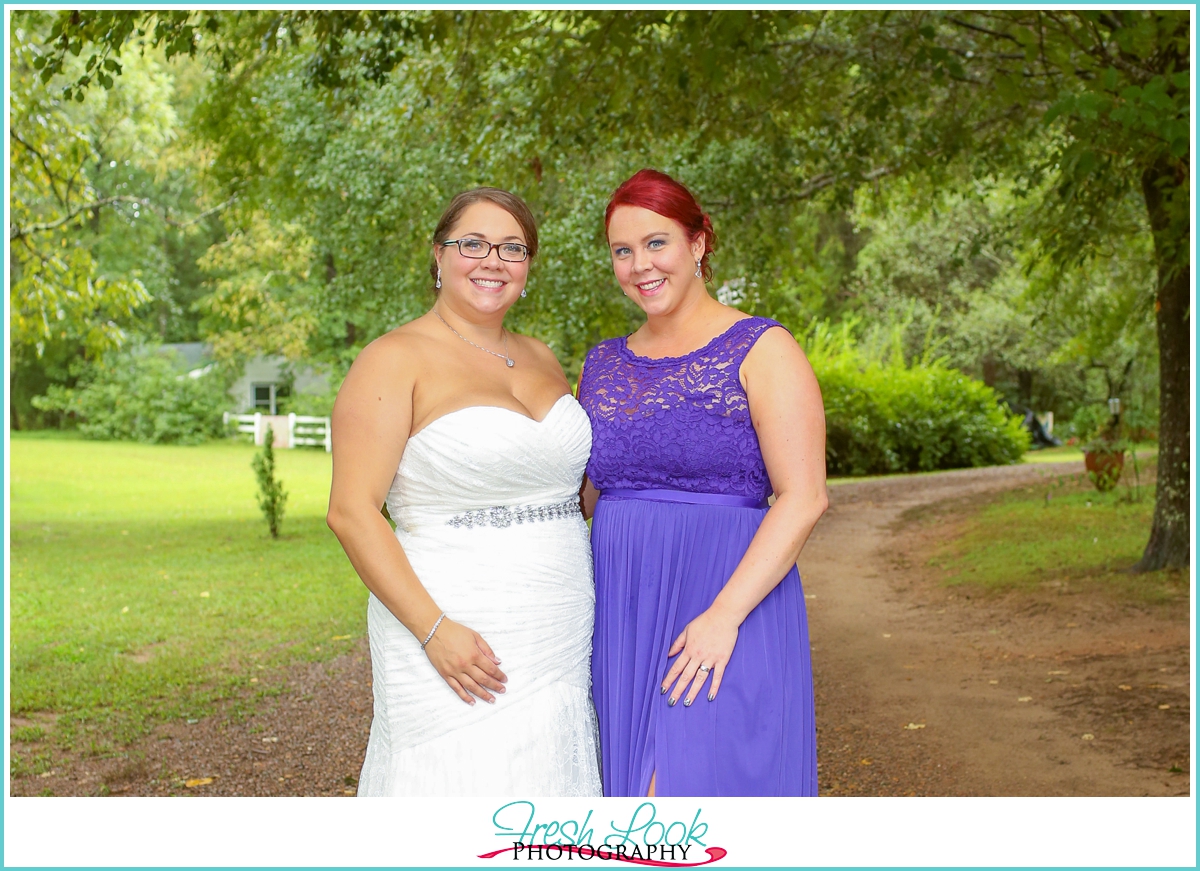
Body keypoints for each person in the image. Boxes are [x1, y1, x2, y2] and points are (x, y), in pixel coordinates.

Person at [326, 188, 601, 796]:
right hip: (453, 624)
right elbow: (350, 512)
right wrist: (433, 629)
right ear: (439, 256)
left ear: (528, 266)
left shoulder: (541, 357)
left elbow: (579, 490)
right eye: (472, 243)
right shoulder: (392, 359)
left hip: (558, 621)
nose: (492, 260)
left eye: (512, 247)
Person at [578, 169, 828, 797]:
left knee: (703, 798)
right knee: (630, 812)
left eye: (656, 243)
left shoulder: (763, 347)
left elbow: (804, 497)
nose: (640, 265)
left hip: (729, 608)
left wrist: (725, 614)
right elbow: (580, 496)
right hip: (621, 616)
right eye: (622, 250)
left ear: (698, 242)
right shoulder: (601, 363)